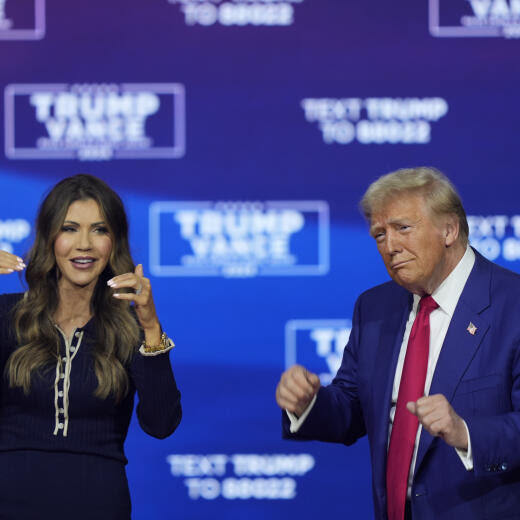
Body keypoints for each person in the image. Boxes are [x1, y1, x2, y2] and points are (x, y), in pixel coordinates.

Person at [276, 167, 520, 520]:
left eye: (402, 228)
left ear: (449, 229)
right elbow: (352, 408)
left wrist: (464, 432)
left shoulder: (512, 305)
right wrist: (307, 404)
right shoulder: (374, 307)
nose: (389, 246)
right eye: (379, 234)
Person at [0, 174, 182, 519]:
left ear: (114, 243)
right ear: (49, 238)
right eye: (69, 229)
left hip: (98, 505)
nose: (84, 244)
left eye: (99, 230)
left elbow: (162, 424)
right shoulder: (8, 316)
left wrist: (151, 327)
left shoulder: (129, 328)